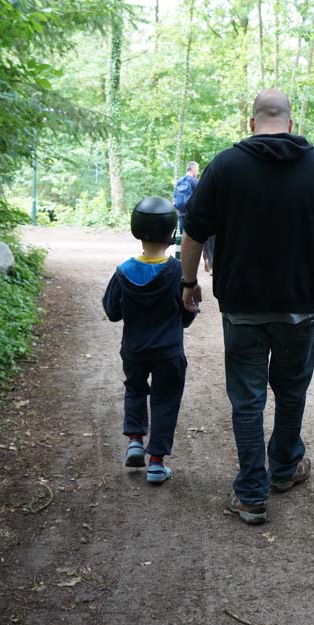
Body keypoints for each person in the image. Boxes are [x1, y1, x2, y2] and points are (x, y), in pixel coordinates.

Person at [179, 88, 314, 525]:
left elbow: (193, 232)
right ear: (292, 124)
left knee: (247, 398)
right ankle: (283, 468)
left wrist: (188, 282)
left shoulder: (225, 166)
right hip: (300, 304)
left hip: (242, 305)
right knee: (292, 387)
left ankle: (251, 493)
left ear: (252, 122)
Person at [103, 196, 197, 483]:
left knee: (135, 389)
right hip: (169, 350)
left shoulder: (123, 272)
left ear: (135, 230)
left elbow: (112, 311)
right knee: (165, 399)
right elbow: (188, 312)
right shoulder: (178, 272)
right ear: (172, 234)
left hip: (134, 349)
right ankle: (156, 462)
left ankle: (134, 441)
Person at [173, 161, 200, 236]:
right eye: (197, 169)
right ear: (192, 169)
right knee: (191, 237)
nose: (198, 172)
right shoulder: (194, 181)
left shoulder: (179, 181)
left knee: (182, 236)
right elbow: (200, 198)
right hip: (191, 214)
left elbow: (174, 197)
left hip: (180, 212)